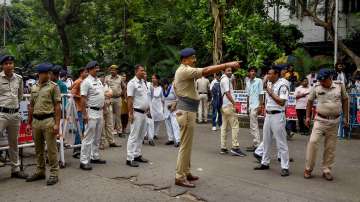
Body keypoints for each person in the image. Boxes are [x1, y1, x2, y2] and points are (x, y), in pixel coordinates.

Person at [173, 47, 241, 188]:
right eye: (192, 58)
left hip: (187, 111)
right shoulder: (184, 70)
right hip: (186, 112)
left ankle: (186, 172)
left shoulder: (183, 71)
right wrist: (227, 65)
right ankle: (180, 176)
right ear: (185, 60)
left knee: (187, 145)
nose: (195, 60)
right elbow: (206, 70)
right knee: (185, 146)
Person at [304, 68, 349, 181]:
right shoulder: (316, 87)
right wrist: (308, 117)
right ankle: (308, 168)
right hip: (320, 119)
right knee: (313, 142)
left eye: (324, 80)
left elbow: (345, 100)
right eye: (320, 81)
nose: (322, 83)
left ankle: (327, 170)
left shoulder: (340, 85)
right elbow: (309, 101)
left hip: (335, 121)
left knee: (330, 146)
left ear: (330, 78)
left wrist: (345, 117)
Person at [26, 63, 61, 185]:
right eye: (46, 73)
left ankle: (54, 173)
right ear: (39, 74)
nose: (48, 75)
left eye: (49, 72)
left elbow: (57, 107)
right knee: (38, 149)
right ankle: (40, 171)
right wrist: (29, 123)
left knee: (51, 149)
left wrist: (57, 124)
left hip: (48, 121)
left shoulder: (53, 87)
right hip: (36, 121)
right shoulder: (34, 87)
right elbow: (31, 106)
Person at [254, 66, 290, 177]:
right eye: (267, 74)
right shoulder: (269, 83)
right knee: (266, 140)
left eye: (270, 74)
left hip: (278, 115)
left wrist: (270, 92)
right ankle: (265, 162)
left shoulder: (283, 84)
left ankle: (285, 167)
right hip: (268, 115)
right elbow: (265, 91)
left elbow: (282, 102)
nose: (268, 76)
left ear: (276, 74)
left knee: (281, 142)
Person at [0, 55, 28, 179]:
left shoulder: (19, 79)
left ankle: (15, 169)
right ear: (2, 65)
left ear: (14, 65)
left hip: (15, 114)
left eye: (11, 63)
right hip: (1, 114)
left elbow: (20, 96)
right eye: (6, 63)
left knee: (14, 143)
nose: (9, 65)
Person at [79, 61, 106, 171]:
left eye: (98, 68)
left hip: (99, 112)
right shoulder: (86, 82)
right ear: (89, 69)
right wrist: (84, 114)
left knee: (97, 137)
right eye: (95, 68)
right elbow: (83, 99)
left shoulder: (98, 81)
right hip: (91, 112)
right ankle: (84, 161)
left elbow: (101, 95)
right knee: (88, 137)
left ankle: (94, 156)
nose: (97, 70)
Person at [126, 64, 150, 167]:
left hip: (144, 113)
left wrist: (148, 107)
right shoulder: (132, 83)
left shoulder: (143, 82)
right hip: (136, 113)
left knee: (141, 135)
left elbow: (145, 97)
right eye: (141, 70)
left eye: (144, 70)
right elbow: (129, 99)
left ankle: (137, 155)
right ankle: (130, 158)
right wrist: (130, 113)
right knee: (134, 136)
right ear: (136, 71)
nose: (143, 72)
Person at [219, 67, 246, 157]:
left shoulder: (223, 79)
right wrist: (235, 104)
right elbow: (227, 93)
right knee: (235, 126)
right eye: (228, 70)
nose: (230, 72)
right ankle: (235, 147)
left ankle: (223, 147)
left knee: (224, 127)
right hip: (229, 105)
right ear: (224, 71)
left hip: (224, 106)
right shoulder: (226, 80)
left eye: (231, 70)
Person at [70, 67, 88, 158]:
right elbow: (72, 93)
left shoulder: (85, 82)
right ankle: (76, 150)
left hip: (83, 108)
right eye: (85, 72)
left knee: (83, 129)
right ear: (81, 73)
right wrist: (81, 97)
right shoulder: (78, 81)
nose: (87, 73)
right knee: (80, 128)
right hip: (78, 108)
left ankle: (81, 148)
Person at [100, 77, 121, 150]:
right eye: (101, 77)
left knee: (110, 124)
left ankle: (111, 141)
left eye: (103, 78)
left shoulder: (107, 85)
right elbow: (101, 95)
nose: (102, 79)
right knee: (102, 125)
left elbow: (111, 94)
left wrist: (106, 94)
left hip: (108, 105)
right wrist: (106, 94)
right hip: (101, 107)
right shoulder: (98, 85)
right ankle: (102, 143)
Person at [245, 67, 263, 152]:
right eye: (251, 71)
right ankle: (256, 143)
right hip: (251, 106)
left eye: (254, 71)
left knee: (254, 125)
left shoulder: (259, 81)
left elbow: (261, 94)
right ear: (249, 73)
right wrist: (247, 107)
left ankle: (257, 145)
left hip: (256, 105)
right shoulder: (247, 82)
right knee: (252, 125)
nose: (252, 72)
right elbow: (248, 95)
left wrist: (260, 106)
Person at [105, 65, 125, 135]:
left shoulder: (120, 78)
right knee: (109, 115)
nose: (112, 71)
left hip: (118, 99)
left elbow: (124, 87)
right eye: (111, 70)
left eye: (114, 70)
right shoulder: (107, 78)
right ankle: (110, 131)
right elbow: (104, 87)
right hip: (109, 99)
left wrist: (121, 94)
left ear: (117, 71)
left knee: (118, 116)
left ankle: (119, 131)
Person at [163, 78, 180, 147]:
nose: (164, 86)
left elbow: (178, 98)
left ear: (167, 83)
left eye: (165, 85)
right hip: (166, 108)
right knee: (168, 124)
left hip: (173, 107)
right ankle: (171, 139)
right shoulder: (163, 90)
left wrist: (174, 105)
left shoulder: (173, 87)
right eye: (163, 85)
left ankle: (178, 140)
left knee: (175, 124)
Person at [150, 74, 165, 143]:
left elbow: (163, 98)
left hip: (158, 105)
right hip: (151, 104)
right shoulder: (149, 86)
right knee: (151, 120)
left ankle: (155, 133)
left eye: (154, 78)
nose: (153, 79)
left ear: (157, 80)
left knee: (158, 120)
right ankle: (150, 134)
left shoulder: (161, 88)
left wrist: (164, 107)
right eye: (152, 78)